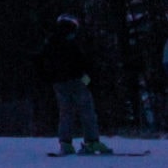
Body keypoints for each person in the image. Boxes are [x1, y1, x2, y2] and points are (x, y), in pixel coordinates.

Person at [35, 13, 111, 155]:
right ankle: (92, 141)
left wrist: (51, 79)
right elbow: (81, 65)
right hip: (76, 81)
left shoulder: (50, 43)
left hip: (59, 83)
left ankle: (65, 143)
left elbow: (42, 63)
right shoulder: (70, 44)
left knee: (66, 112)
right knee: (87, 110)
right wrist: (88, 82)